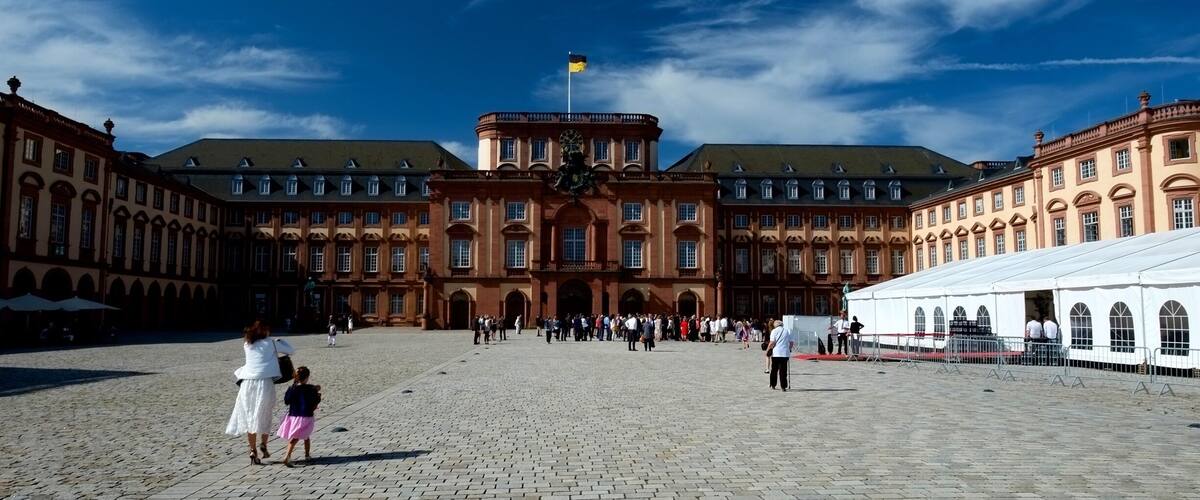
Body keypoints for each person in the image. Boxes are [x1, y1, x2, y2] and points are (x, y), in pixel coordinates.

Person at [226, 321, 295, 466]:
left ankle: (252, 450)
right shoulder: (271, 343)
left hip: (247, 383)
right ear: (265, 331)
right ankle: (263, 444)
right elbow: (291, 351)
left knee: (250, 416)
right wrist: (280, 341)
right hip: (264, 383)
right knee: (264, 414)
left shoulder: (247, 344)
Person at [277, 366, 321, 467]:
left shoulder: (292, 389)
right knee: (300, 436)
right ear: (307, 377)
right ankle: (287, 456)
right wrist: (317, 394)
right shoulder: (310, 389)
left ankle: (307, 454)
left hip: (293, 416)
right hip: (306, 416)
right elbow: (315, 400)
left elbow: (286, 401)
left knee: (303, 435)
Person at [766, 320, 794, 391]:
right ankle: (783, 386)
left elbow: (772, 342)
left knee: (774, 370)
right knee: (783, 371)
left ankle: (773, 384)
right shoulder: (787, 331)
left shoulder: (774, 331)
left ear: (776, 325)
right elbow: (791, 342)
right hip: (785, 353)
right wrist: (789, 349)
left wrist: (768, 349)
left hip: (776, 353)